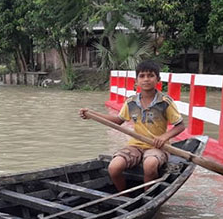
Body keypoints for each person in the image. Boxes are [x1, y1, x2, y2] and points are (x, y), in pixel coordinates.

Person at [79, 60, 186, 191]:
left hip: (158, 146)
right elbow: (118, 121)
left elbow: (180, 126)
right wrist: (92, 114)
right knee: (114, 167)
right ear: (136, 81)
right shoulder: (131, 102)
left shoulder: (165, 102)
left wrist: (164, 137)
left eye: (150, 76)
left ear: (158, 79)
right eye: (142, 76)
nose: (146, 79)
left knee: (150, 165)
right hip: (136, 145)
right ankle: (124, 195)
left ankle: (147, 195)